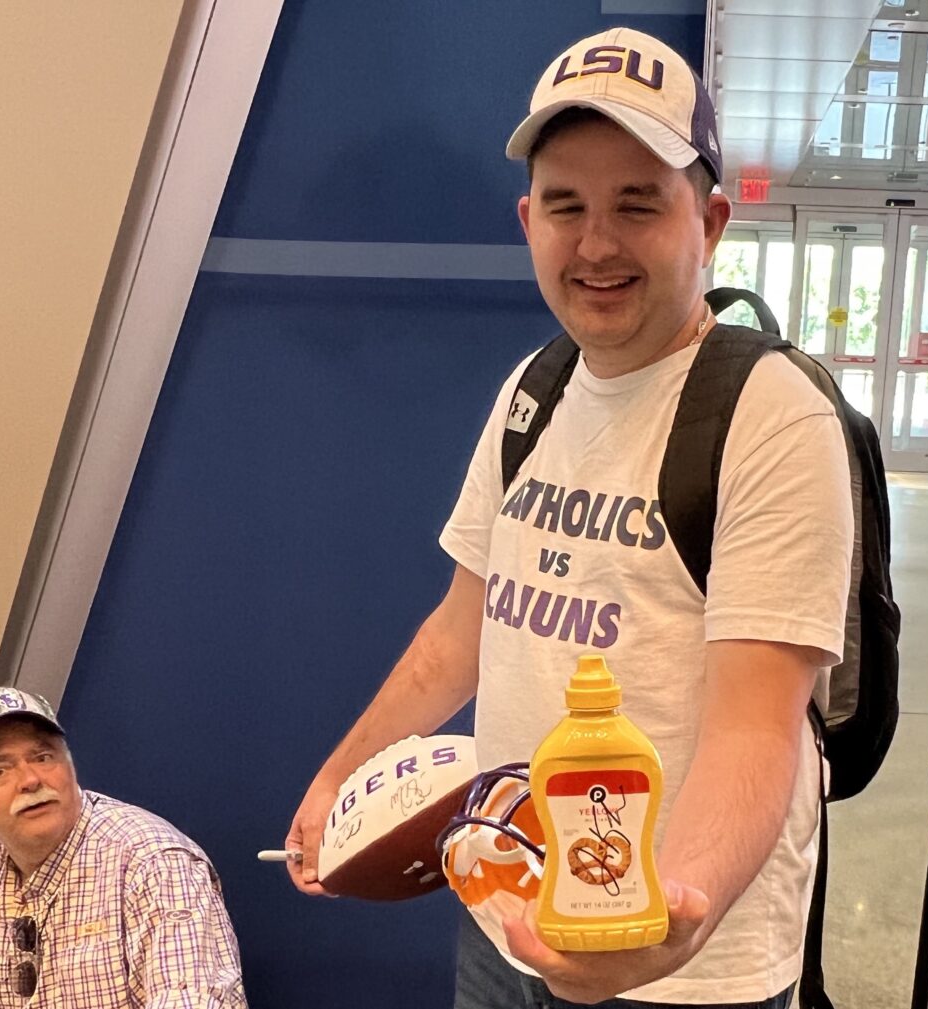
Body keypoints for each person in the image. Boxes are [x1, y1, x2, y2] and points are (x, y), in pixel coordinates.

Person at [286, 26, 852, 1009]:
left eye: (638, 205)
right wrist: (341, 775)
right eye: (566, 207)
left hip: (678, 965)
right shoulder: (534, 391)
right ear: (526, 220)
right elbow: (458, 634)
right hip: (506, 919)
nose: (595, 243)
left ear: (710, 221)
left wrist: (678, 912)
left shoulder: (772, 415)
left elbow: (759, 723)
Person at [0, 687, 247, 1007]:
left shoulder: (152, 862)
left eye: (42, 757)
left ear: (71, 766)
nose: (29, 779)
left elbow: (189, 998)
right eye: (0, 770)